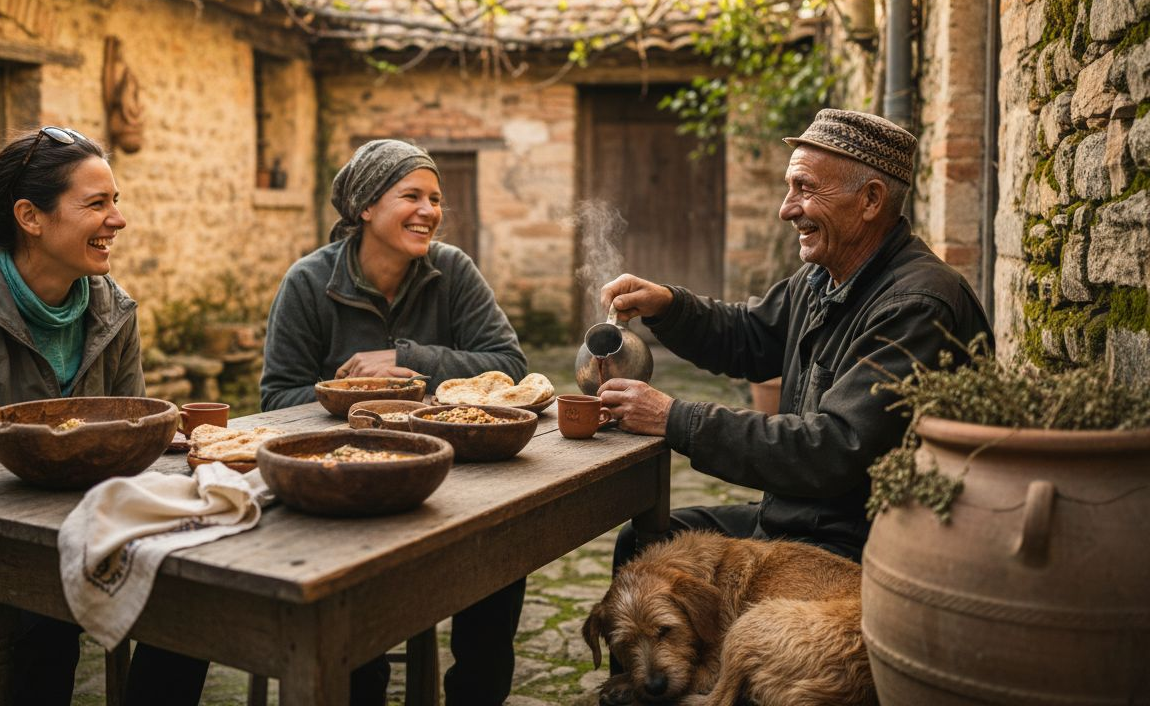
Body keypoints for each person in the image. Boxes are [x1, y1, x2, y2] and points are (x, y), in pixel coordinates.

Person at [594, 110, 993, 694]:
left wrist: (675, 418)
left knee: (660, 560)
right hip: (797, 518)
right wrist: (668, 306)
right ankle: (648, 686)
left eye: (806, 188)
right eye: (789, 188)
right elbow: (752, 336)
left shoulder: (916, 305)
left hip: (856, 540)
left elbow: (833, 448)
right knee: (645, 550)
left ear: (871, 199)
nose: (787, 207)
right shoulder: (829, 277)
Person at [0, 127, 211, 706]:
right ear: (30, 216)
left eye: (115, 201)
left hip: (61, 543)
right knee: (42, 614)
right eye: (97, 204)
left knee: (192, 595)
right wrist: (71, 538)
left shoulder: (111, 311)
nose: (117, 220)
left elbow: (135, 449)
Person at [260, 139, 527, 705]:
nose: (430, 210)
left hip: (449, 477)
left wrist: (409, 359)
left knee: (500, 558)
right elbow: (278, 400)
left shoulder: (452, 271)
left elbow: (509, 365)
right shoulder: (309, 283)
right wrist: (355, 399)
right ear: (365, 207)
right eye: (412, 195)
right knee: (357, 604)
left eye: (435, 198)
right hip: (347, 482)